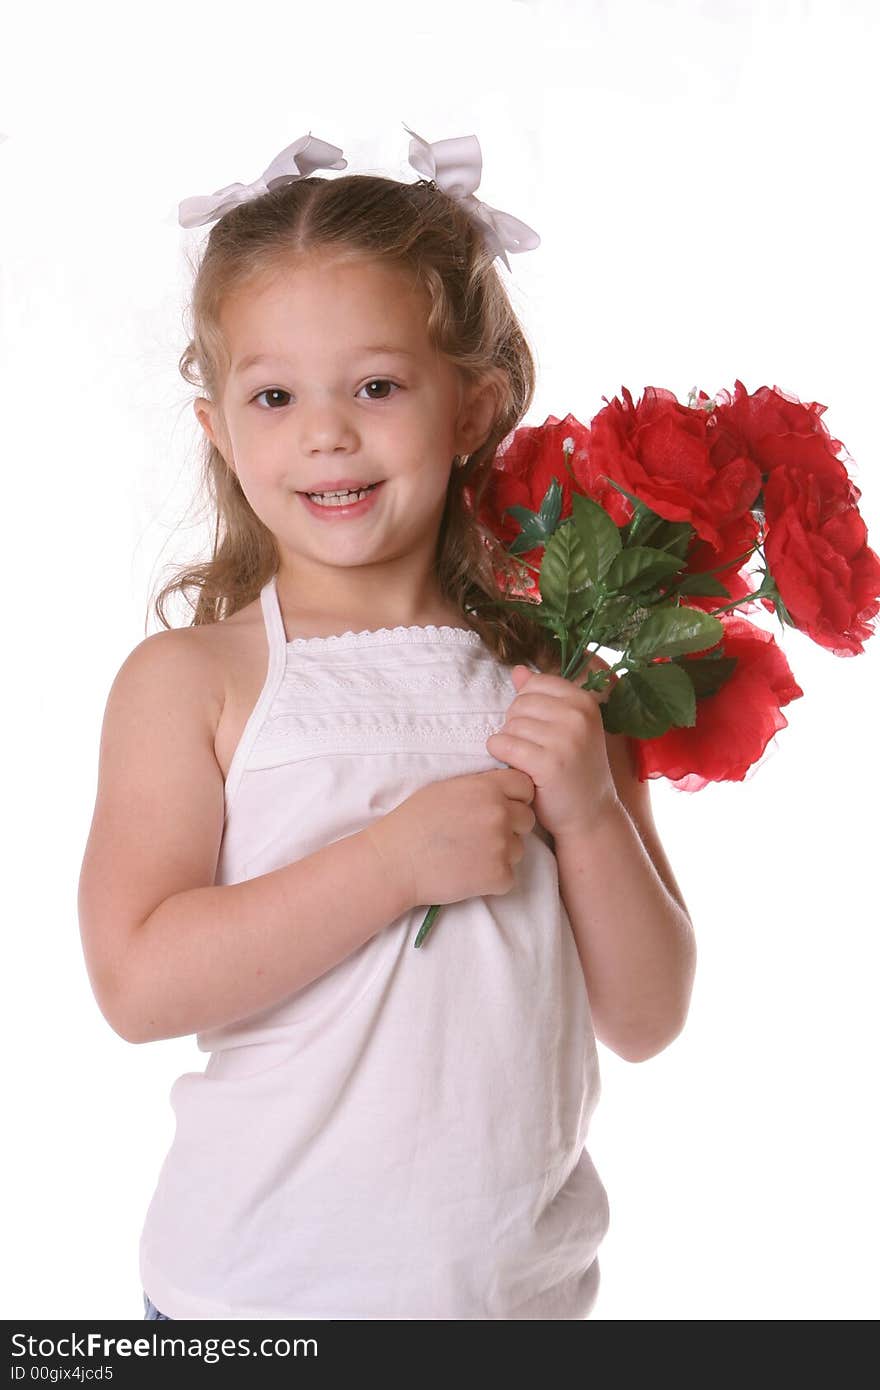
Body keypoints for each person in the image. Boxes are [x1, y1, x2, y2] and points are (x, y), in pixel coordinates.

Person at [77, 125, 696, 1321]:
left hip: (518, 1299)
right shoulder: (196, 680)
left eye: (375, 385)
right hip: (257, 1300)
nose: (327, 432)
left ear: (472, 404)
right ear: (220, 430)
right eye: (274, 395)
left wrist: (587, 807)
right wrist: (387, 862)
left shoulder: (556, 682)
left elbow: (647, 1015)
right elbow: (138, 984)